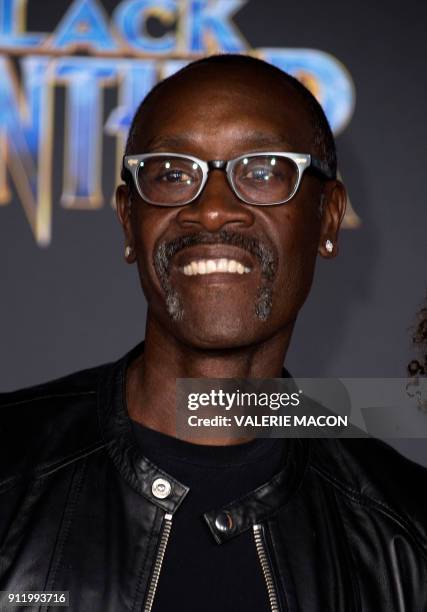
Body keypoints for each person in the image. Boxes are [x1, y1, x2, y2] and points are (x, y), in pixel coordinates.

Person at [1, 54, 426, 612]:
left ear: (328, 217)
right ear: (129, 219)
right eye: (174, 174)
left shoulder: (407, 533)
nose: (214, 210)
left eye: (264, 169)